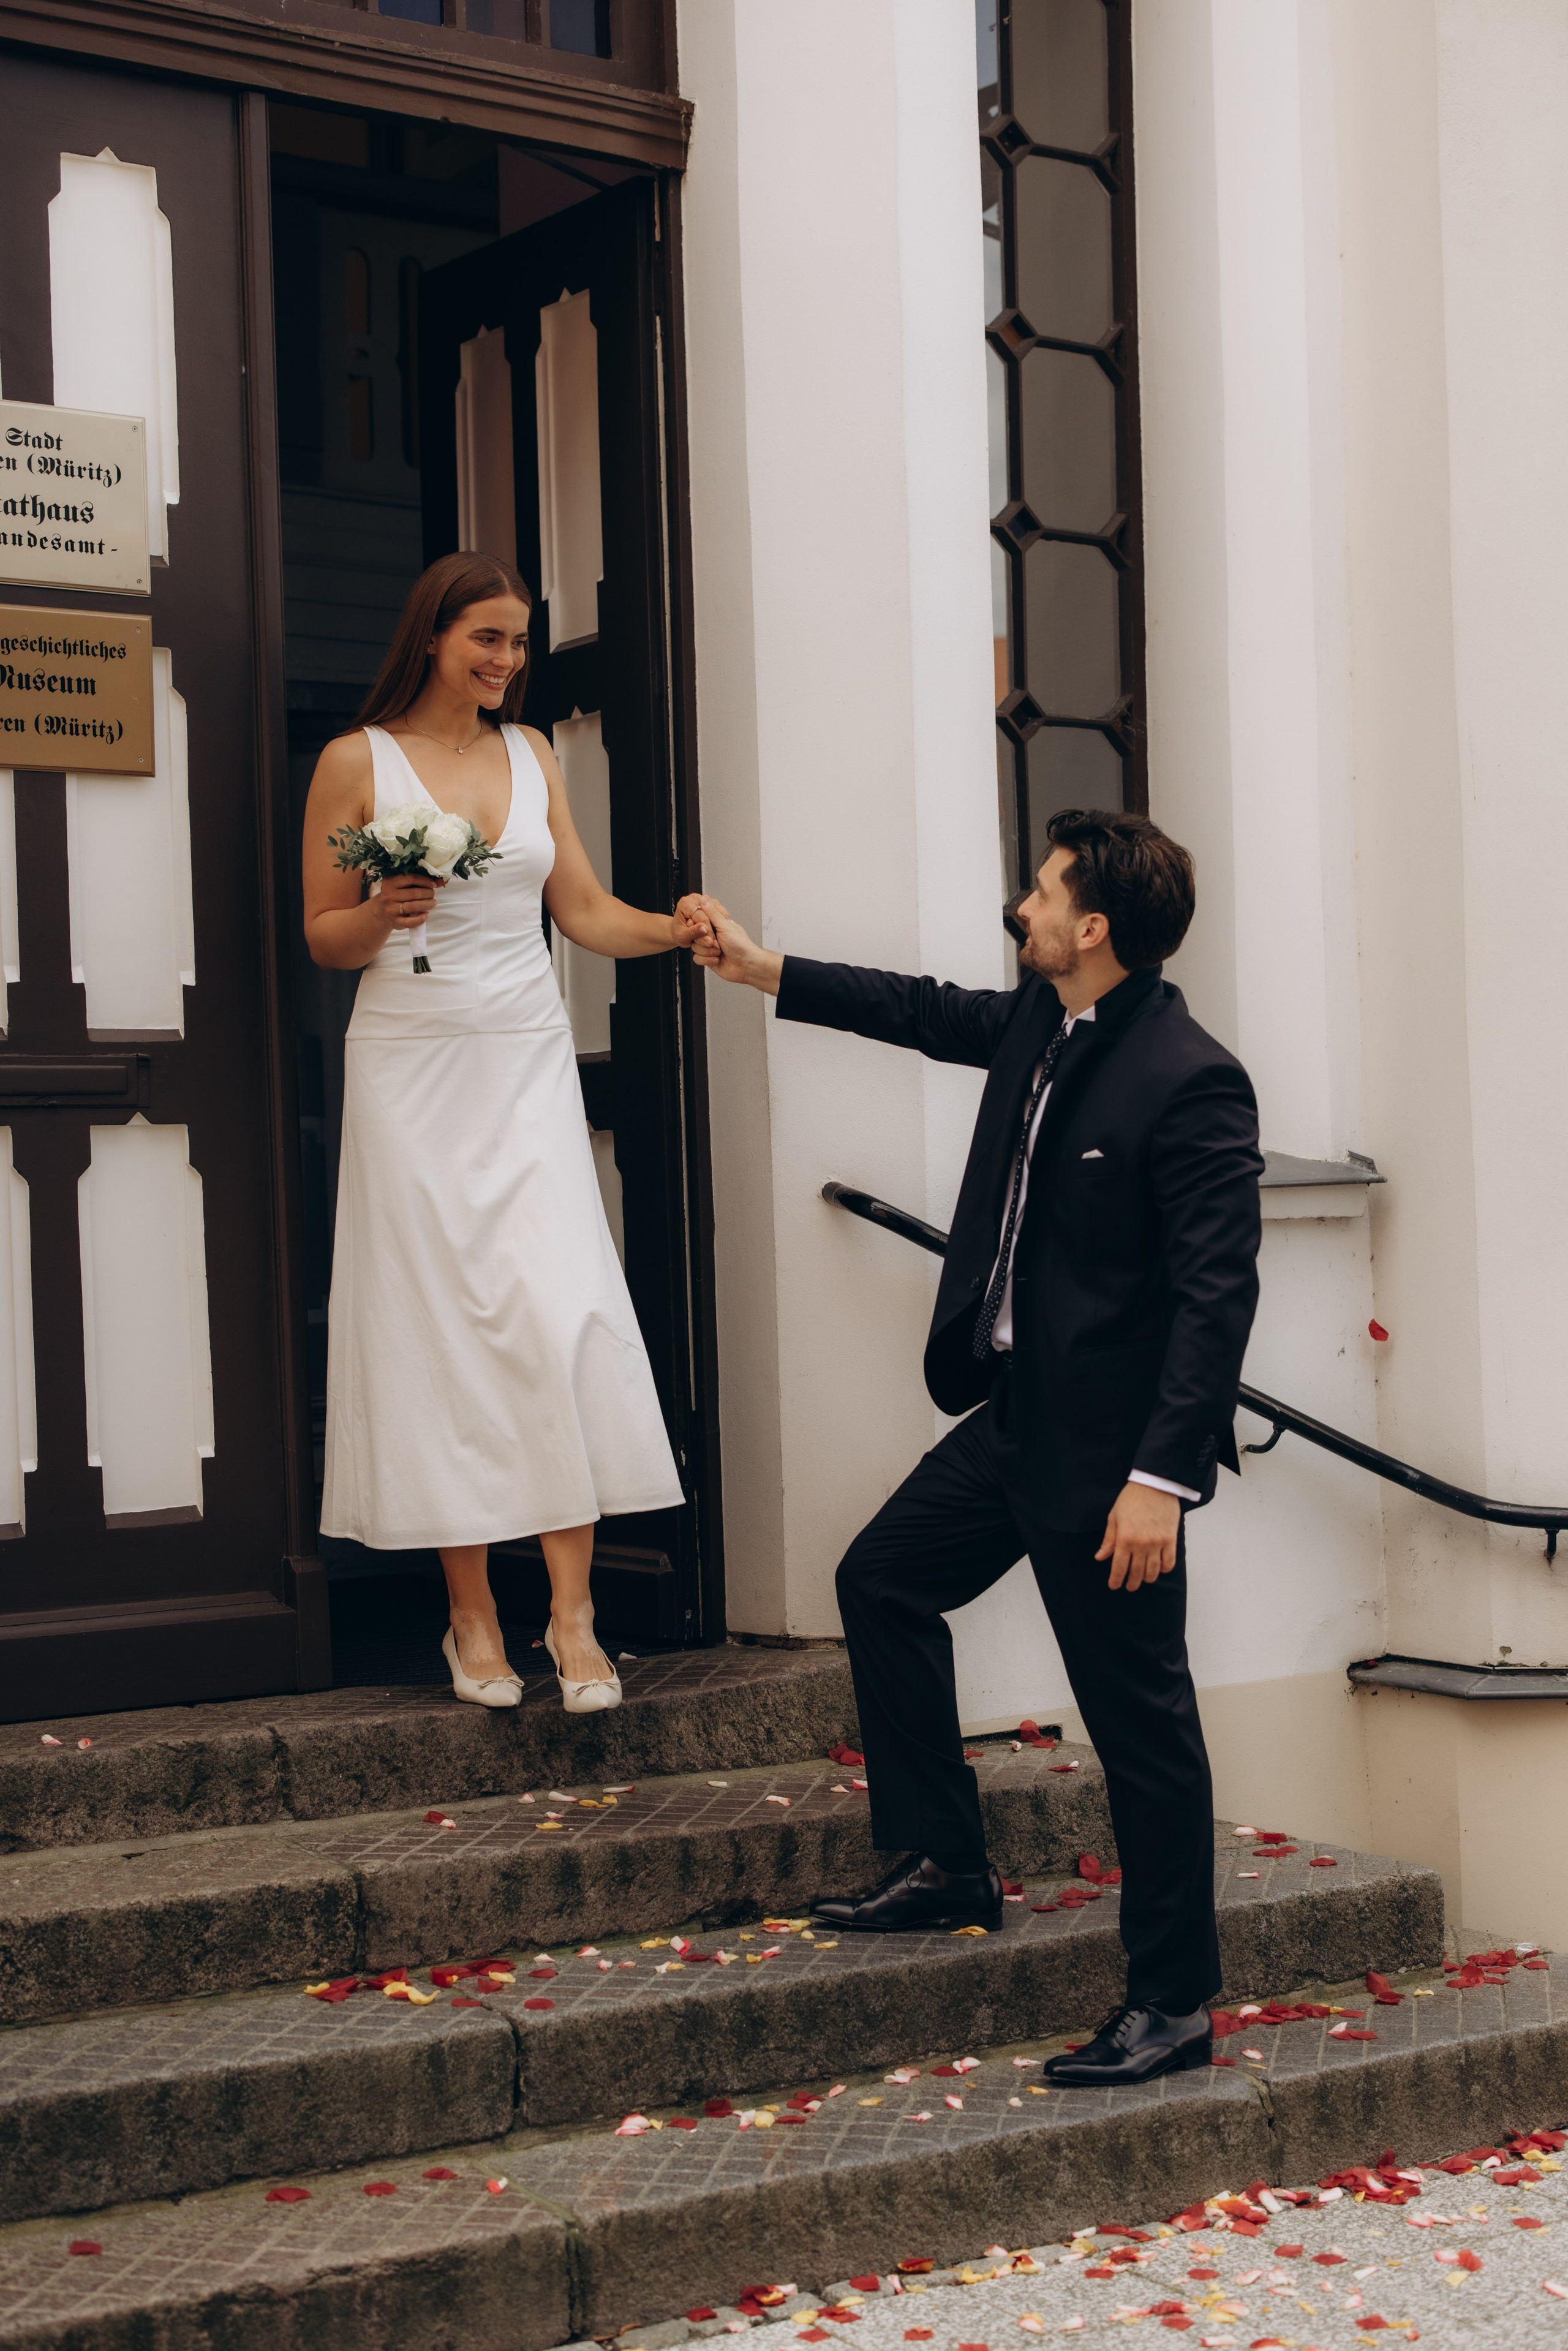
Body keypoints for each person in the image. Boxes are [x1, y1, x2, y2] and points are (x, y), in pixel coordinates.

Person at [692, 809, 1262, 2083]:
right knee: (881, 1576)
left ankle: (1171, 2001)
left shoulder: (1190, 1076)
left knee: (1141, 1730)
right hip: (1010, 1421)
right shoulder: (1033, 1023)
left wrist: (1159, 1480)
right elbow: (915, 1007)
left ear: (1092, 923)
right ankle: (947, 1860)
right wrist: (760, 965)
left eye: (1043, 889)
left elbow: (1215, 1295)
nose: (1023, 904)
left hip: (1112, 1464)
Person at [303, 551, 707, 1715]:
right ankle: (469, 1613)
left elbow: (580, 909)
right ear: (432, 635)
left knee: (555, 1305)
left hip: (523, 1059)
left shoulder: (534, 756)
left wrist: (675, 928)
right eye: (487, 637)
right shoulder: (356, 763)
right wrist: (379, 912)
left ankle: (573, 1617)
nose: (506, 660)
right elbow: (324, 936)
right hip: (412, 1063)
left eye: (520, 642)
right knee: (444, 1320)